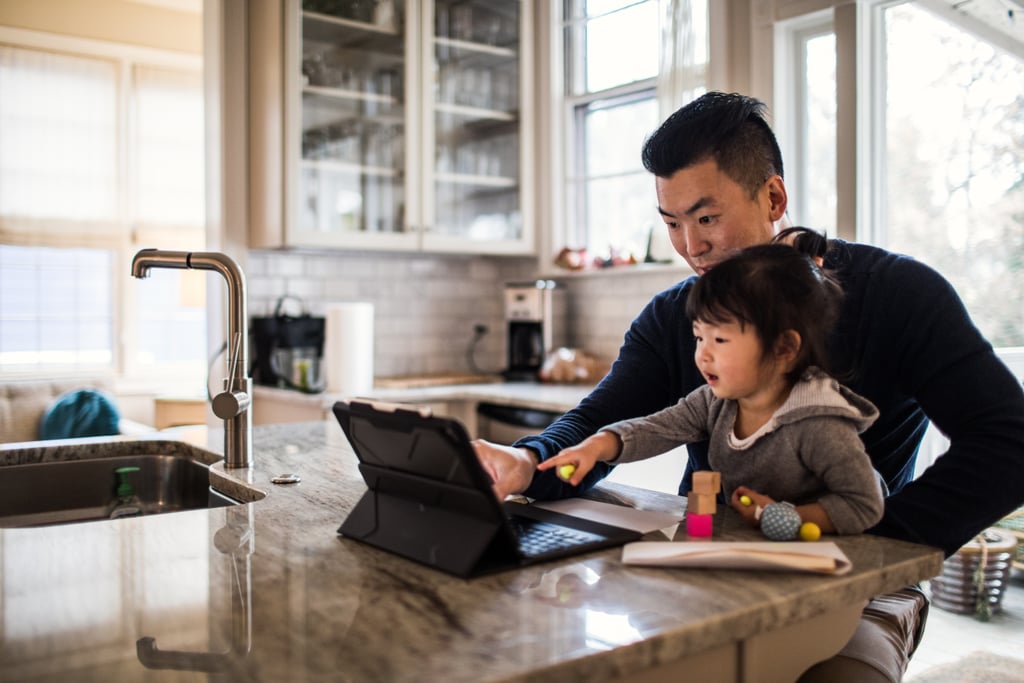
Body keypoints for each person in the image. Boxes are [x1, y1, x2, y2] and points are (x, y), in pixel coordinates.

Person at [472, 91, 1024, 682]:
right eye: (672, 223)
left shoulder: (897, 295)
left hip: (859, 582)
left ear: (774, 197)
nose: (690, 246)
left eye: (707, 218)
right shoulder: (670, 318)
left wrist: (877, 548)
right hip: (707, 556)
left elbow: (1008, 443)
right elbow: (599, 424)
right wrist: (528, 461)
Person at [538, 235, 885, 538]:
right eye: (698, 337)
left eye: (719, 339)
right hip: (756, 553)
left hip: (824, 565)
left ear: (783, 348)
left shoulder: (818, 424)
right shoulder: (716, 403)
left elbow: (864, 504)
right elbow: (656, 428)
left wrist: (786, 518)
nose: (703, 355)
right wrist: (600, 444)